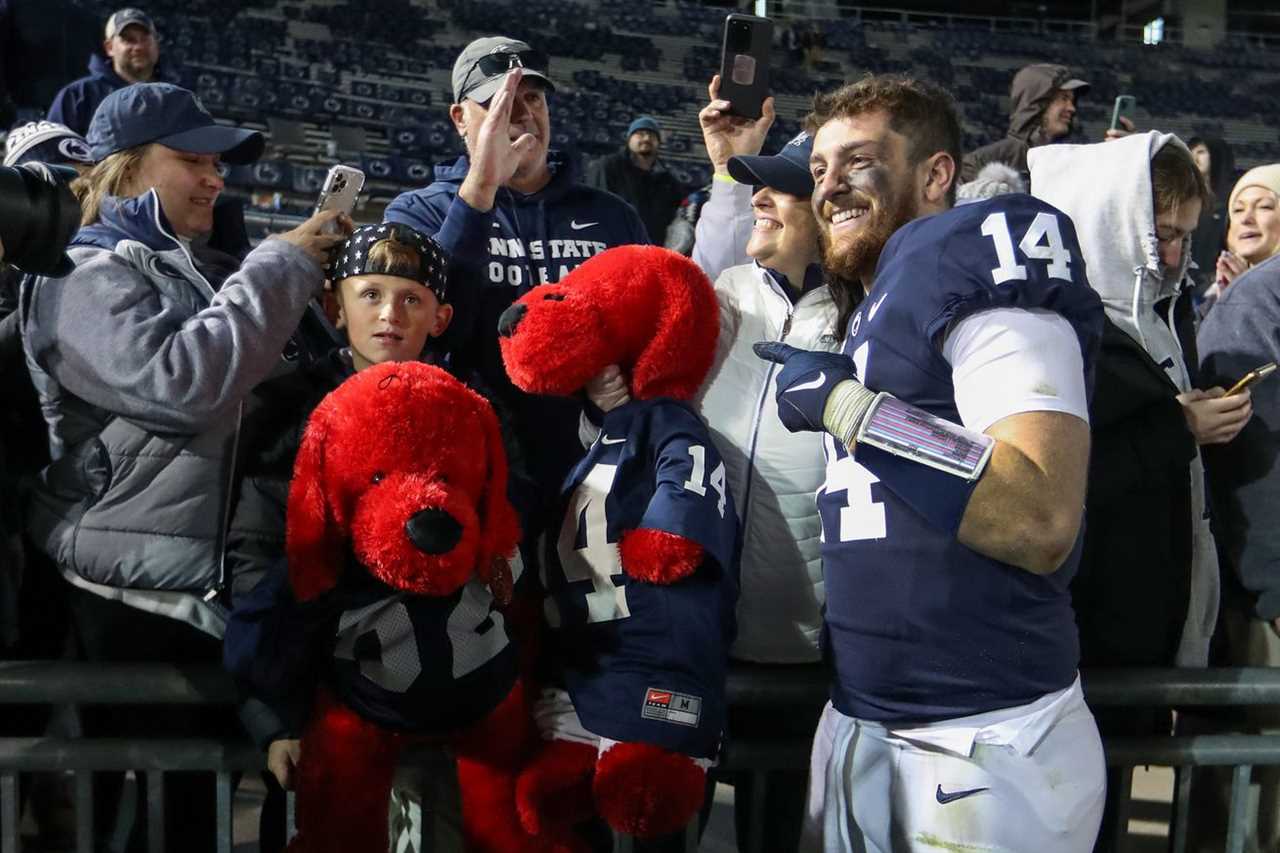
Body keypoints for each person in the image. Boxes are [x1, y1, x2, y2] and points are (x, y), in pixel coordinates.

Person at [755, 74, 1107, 852]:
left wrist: (853, 413)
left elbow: (1039, 511)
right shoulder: (878, 302)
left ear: (937, 174)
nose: (831, 184)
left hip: (981, 742)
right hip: (863, 722)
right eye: (818, 169)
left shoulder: (972, 256)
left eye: (858, 159)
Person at [21, 81, 348, 852]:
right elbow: (182, 386)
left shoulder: (184, 264)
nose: (215, 177)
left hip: (187, 589)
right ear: (127, 168)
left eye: (216, 162)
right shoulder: (83, 273)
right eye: (192, 159)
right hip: (125, 594)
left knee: (194, 814)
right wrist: (278, 266)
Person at [1030, 133, 1249, 849]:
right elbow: (1056, 482)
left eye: (1187, 236)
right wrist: (1178, 428)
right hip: (1077, 651)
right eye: (1163, 233)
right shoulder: (1054, 331)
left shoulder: (1147, 319)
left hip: (1124, 648)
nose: (1177, 254)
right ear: (1109, 220)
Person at [224, 222, 465, 853]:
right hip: (322, 704)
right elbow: (257, 563)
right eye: (371, 293)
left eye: (411, 298)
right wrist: (274, 714)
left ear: (441, 317)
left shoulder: (474, 412)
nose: (390, 314)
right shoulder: (285, 410)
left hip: (449, 705)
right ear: (334, 306)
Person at [383, 36, 648, 528]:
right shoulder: (418, 212)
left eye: (532, 98)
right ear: (460, 118)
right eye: (497, 102)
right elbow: (429, 332)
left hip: (603, 476)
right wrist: (480, 190)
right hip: (475, 482)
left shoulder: (612, 216)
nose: (521, 113)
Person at [1197, 200, 1280, 853]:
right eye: (1239, 208)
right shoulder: (1257, 304)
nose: (1248, 218)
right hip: (1266, 603)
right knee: (1253, 797)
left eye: (1267, 205)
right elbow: (1254, 468)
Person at [960, 63, 1089, 183]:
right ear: (1037, 103)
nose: (1072, 108)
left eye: (1072, 100)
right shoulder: (980, 163)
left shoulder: (1071, 162)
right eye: (1064, 98)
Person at [47, 7, 162, 135]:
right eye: (129, 40)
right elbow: (54, 150)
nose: (138, 47)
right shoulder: (78, 97)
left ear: (156, 44)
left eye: (145, 39)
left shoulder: (178, 96)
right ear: (109, 47)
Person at [584, 115, 687, 245]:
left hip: (651, 251)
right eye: (640, 134)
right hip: (613, 247)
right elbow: (595, 208)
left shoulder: (669, 182)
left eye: (652, 135)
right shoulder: (607, 166)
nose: (646, 138)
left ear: (658, 143)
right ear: (629, 140)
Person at [1211, 164, 1280, 295]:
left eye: (1264, 206)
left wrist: (1246, 295)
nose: (1245, 219)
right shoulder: (1213, 299)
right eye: (1238, 210)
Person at [1186, 136, 1236, 294]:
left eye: (1201, 152)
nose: (1194, 157)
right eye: (1190, 152)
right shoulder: (1183, 200)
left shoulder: (1234, 201)